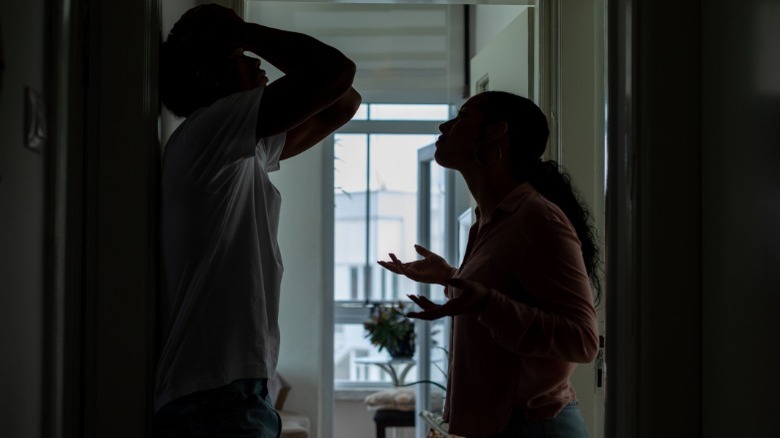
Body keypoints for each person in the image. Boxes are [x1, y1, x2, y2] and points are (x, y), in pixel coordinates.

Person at [154, 4, 361, 437]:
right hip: (215, 393)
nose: (257, 64)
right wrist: (242, 30)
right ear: (209, 77)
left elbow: (342, 101)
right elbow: (335, 74)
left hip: (226, 389)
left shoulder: (236, 150)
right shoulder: (209, 130)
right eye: (241, 57)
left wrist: (236, 36)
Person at [378, 91, 600, 438]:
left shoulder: (537, 219)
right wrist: (451, 277)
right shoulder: (488, 220)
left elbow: (583, 341)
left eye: (462, 115)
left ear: (496, 131)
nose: (444, 125)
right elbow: (503, 294)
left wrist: (484, 301)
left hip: (536, 427)